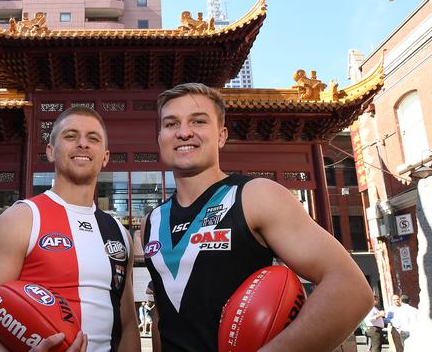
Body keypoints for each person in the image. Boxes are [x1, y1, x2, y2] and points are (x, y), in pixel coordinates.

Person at [141, 83, 373, 351]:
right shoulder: (153, 221)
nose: (183, 132)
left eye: (198, 121)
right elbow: (162, 315)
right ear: (160, 137)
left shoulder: (256, 196)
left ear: (221, 136)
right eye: (171, 124)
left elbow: (351, 289)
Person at [0, 107, 141, 352]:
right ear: (50, 151)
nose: (83, 144)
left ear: (105, 157)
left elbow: (128, 324)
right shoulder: (22, 218)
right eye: (70, 136)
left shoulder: (119, 233)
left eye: (93, 138)